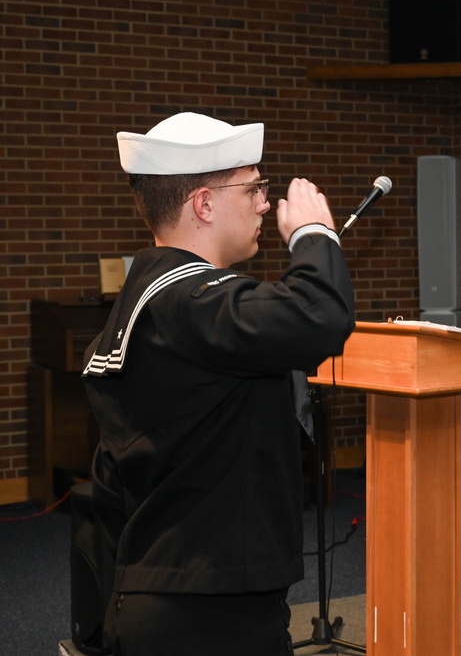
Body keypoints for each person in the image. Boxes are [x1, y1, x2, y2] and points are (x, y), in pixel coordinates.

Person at [82, 112, 356, 655]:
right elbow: (320, 315)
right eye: (253, 187)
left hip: (163, 586)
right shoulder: (192, 302)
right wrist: (312, 234)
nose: (264, 203)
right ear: (203, 204)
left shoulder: (146, 298)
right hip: (209, 614)